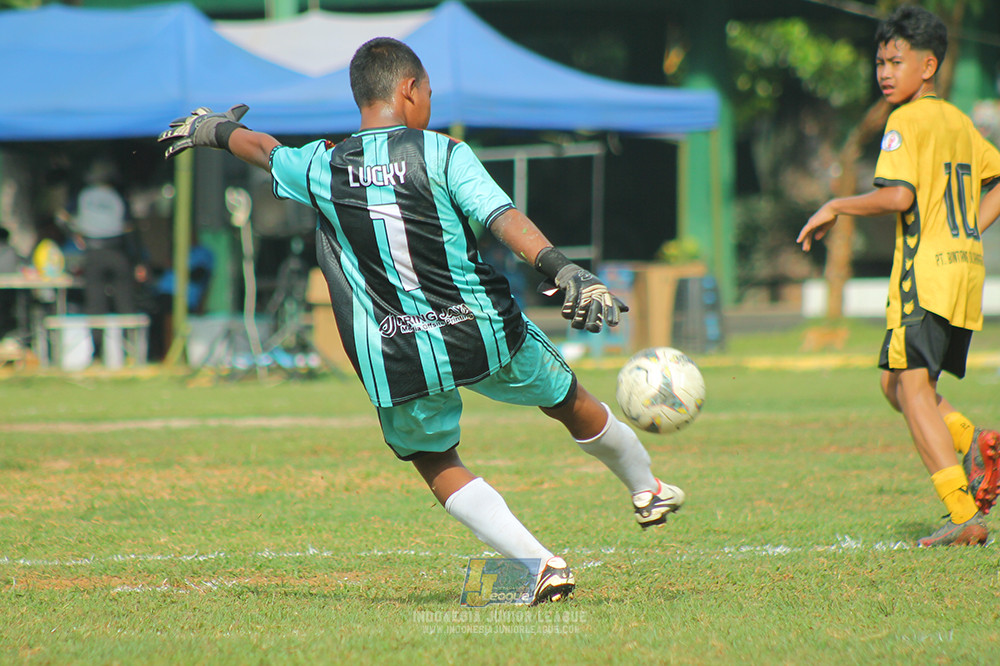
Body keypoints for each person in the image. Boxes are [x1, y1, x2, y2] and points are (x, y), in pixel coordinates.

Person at [159, 37, 685, 604]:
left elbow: (263, 148)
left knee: (437, 460)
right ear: (409, 89)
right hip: (481, 329)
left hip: (396, 350)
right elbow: (502, 216)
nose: (430, 102)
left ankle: (538, 566)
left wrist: (214, 129)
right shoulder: (444, 153)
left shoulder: (322, 164)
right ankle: (647, 488)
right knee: (568, 400)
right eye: (429, 91)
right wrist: (563, 267)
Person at [798, 6, 1000, 547]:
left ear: (928, 66)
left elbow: (898, 197)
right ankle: (973, 441)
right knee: (895, 383)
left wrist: (836, 204)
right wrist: (967, 230)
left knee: (911, 389)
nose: (885, 73)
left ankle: (962, 514)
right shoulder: (959, 122)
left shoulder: (905, 122)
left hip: (926, 276)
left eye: (896, 61)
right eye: (880, 63)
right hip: (964, 272)